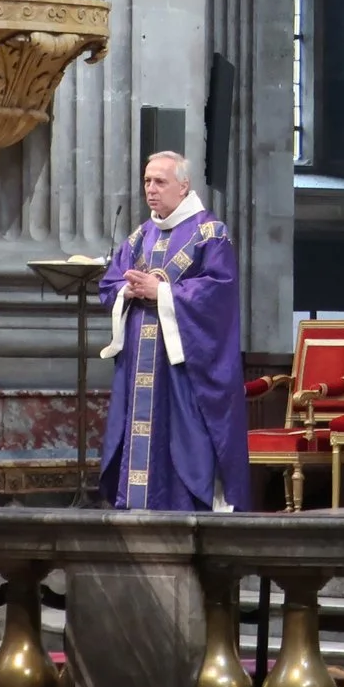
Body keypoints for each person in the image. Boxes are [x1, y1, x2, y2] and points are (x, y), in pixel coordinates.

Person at [95, 152, 247, 511]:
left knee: (178, 434)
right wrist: (126, 291)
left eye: (160, 182)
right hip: (139, 361)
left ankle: (182, 509)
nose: (151, 189)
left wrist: (161, 291)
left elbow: (219, 292)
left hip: (182, 368)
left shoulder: (210, 233)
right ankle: (135, 504)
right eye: (147, 181)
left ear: (184, 185)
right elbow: (109, 283)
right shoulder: (139, 237)